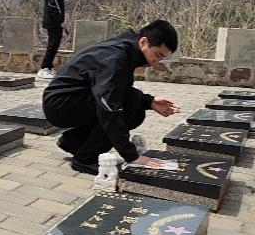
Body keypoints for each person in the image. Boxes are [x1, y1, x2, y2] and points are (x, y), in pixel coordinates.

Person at [43, 19, 182, 175]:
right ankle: (85, 159)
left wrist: (149, 101)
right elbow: (109, 106)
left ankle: (73, 142)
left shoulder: (126, 50)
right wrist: (131, 155)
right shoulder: (115, 57)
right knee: (127, 104)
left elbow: (118, 89)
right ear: (143, 42)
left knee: (135, 108)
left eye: (162, 58)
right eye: (157, 55)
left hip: (72, 99)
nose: (156, 62)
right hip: (61, 104)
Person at [37, 0, 68, 79]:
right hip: (53, 23)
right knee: (52, 45)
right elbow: (52, 8)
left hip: (55, 22)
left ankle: (48, 67)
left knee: (54, 45)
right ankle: (45, 68)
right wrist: (60, 21)